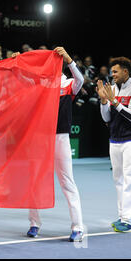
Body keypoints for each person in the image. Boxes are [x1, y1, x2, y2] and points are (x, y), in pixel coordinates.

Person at [26, 47, 85, 242]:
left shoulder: (68, 84)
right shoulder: (40, 84)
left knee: (67, 182)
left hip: (60, 138)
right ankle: (34, 223)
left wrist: (70, 59)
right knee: (34, 181)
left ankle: (78, 227)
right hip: (41, 138)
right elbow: (19, 81)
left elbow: (81, 81)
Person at [96, 57, 131, 233]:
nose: (113, 75)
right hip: (115, 140)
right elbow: (106, 119)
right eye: (112, 72)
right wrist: (104, 101)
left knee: (130, 179)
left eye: (115, 72)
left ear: (126, 71)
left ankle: (129, 220)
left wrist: (115, 102)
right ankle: (122, 216)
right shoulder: (112, 89)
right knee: (118, 179)